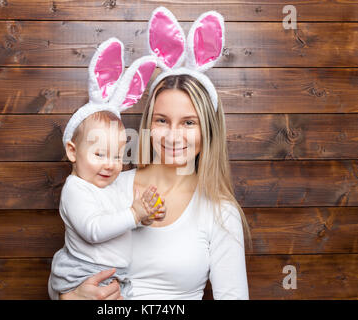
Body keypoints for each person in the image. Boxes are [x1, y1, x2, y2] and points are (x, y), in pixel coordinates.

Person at [58, 7, 252, 300]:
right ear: (149, 122)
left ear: (208, 130)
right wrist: (69, 297)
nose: (173, 136)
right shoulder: (110, 185)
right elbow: (70, 263)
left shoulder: (220, 212)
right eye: (162, 120)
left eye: (189, 122)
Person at [47, 38, 166, 300]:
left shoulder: (112, 185)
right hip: (84, 273)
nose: (110, 163)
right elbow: (94, 230)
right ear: (72, 152)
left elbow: (126, 223)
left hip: (116, 275)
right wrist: (134, 213)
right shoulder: (76, 189)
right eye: (100, 153)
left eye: (117, 154)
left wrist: (146, 215)